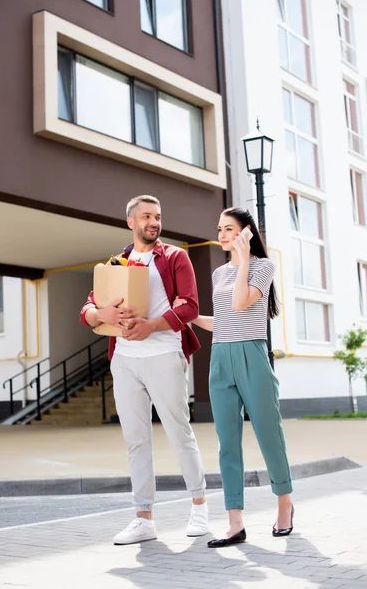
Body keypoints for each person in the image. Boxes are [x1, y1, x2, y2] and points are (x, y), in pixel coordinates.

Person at [79, 195, 208, 545]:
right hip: (124, 359)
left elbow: (192, 305)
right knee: (136, 440)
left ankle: (199, 508)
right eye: (147, 216)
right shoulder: (115, 262)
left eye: (158, 216)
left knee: (180, 433)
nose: (154, 222)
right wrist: (99, 315)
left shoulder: (175, 257)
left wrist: (151, 326)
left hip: (165, 355)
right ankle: (143, 518)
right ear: (130, 222)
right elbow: (89, 308)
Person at [177, 207, 294, 548]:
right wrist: (190, 316)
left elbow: (242, 303)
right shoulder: (217, 273)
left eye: (229, 229)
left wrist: (244, 259)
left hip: (252, 356)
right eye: (220, 229)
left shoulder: (262, 266)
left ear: (246, 232)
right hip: (221, 358)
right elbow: (225, 321)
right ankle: (235, 522)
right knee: (227, 442)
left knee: (269, 434)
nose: (222, 234)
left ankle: (284, 504)